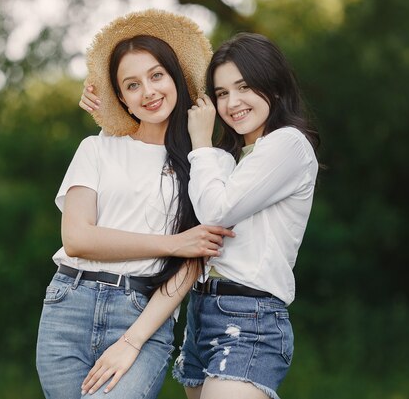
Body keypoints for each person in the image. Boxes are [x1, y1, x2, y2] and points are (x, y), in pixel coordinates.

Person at [80, 33, 319, 399]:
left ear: (272, 85)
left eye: (244, 87)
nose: (233, 102)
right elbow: (152, 142)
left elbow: (215, 212)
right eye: (221, 93)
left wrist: (203, 141)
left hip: (250, 318)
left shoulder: (287, 144)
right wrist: (107, 106)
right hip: (202, 312)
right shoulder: (228, 157)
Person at [35, 9, 234, 399]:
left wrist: (132, 341)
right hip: (67, 307)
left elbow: (193, 262)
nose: (148, 92)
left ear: (176, 77)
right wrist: (172, 244)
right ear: (122, 99)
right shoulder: (96, 148)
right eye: (132, 85)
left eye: (156, 75)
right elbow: (77, 239)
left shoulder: (206, 162)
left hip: (142, 314)